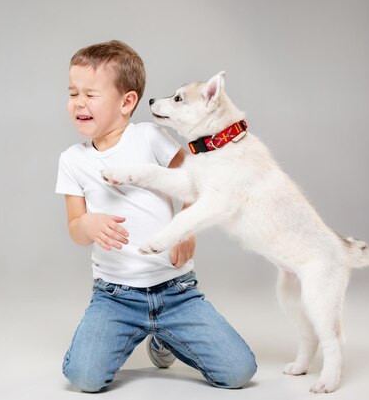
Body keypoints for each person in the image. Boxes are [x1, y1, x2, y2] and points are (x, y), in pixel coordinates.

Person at [55, 40, 257, 393]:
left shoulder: (149, 137)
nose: (79, 103)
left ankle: (167, 337)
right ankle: (130, 331)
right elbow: (75, 228)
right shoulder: (72, 160)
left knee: (240, 372)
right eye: (73, 93)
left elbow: (196, 181)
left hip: (176, 290)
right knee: (84, 378)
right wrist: (86, 224)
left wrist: (185, 229)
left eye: (90, 94)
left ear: (127, 102)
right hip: (115, 295)